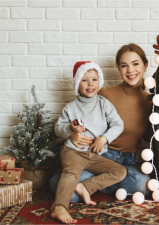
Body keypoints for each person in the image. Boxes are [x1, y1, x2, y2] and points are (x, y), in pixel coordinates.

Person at [49, 43, 152, 203]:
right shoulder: (104, 93)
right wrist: (73, 135)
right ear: (119, 69)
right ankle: (83, 184)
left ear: (145, 65)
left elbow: (148, 138)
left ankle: (89, 185)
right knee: (66, 190)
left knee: (142, 184)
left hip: (127, 161)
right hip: (99, 154)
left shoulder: (151, 101)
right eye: (124, 65)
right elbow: (77, 117)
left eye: (135, 64)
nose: (130, 70)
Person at [51, 61, 127, 224]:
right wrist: (70, 129)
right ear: (77, 84)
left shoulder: (104, 104)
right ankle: (59, 207)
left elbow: (118, 124)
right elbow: (57, 129)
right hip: (73, 152)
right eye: (84, 80)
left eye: (94, 79)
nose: (90, 84)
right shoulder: (70, 108)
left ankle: (85, 187)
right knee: (71, 173)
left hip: (94, 154)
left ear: (99, 82)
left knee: (120, 172)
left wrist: (104, 138)